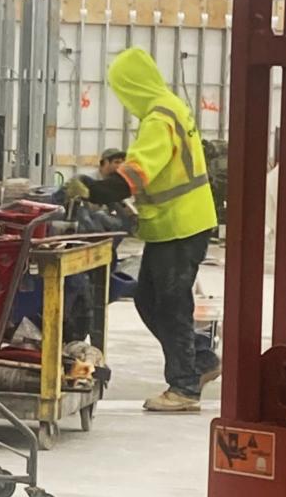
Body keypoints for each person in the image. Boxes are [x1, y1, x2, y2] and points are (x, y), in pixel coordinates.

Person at [65, 47, 221, 412]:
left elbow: (134, 176)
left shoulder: (158, 119)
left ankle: (184, 388)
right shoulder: (171, 105)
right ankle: (200, 362)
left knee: (170, 305)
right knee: (149, 299)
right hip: (175, 225)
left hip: (181, 225)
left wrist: (92, 189)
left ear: (132, 86)